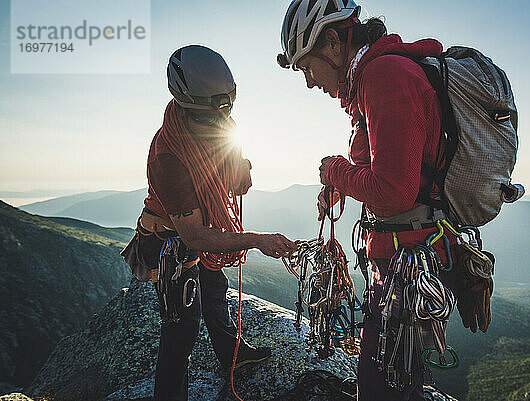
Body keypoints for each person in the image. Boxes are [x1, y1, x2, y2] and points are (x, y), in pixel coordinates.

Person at [277, 1, 459, 400]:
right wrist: (343, 184)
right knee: (386, 380)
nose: (309, 82)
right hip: (407, 260)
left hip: (408, 266)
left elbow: (393, 193)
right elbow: (398, 171)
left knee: (383, 388)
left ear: (331, 41)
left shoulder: (384, 75)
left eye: (307, 67)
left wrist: (334, 171)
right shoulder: (371, 78)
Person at [131, 45, 297, 401]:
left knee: (215, 291)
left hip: (198, 230)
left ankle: (232, 356)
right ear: (187, 104)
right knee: (181, 328)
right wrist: (256, 239)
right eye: (210, 115)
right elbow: (194, 236)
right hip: (170, 239)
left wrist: (241, 165)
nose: (219, 120)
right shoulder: (167, 156)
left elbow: (238, 181)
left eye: (224, 112)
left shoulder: (220, 124)